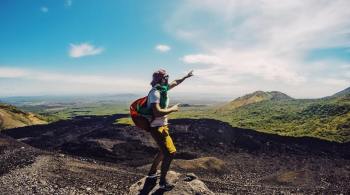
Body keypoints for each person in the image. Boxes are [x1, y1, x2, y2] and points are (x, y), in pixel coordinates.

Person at [146, 69, 193, 190]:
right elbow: (157, 112)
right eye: (166, 77)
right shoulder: (155, 93)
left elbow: (176, 82)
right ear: (161, 79)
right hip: (157, 127)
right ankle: (162, 182)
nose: (168, 79)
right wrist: (173, 108)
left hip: (161, 126)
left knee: (163, 151)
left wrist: (186, 76)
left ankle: (152, 174)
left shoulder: (163, 89)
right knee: (170, 153)